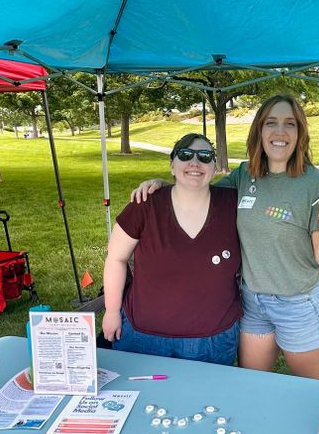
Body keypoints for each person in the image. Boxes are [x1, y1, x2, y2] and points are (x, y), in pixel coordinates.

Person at [132, 95, 319, 379]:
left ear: (300, 134)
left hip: (298, 305)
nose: (279, 132)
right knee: (251, 384)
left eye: (289, 125)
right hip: (252, 302)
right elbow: (201, 193)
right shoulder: (246, 174)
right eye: (271, 123)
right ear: (259, 130)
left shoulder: (315, 185)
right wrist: (165, 185)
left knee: (307, 390)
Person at [103, 134, 242, 365]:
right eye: (185, 155)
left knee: (205, 400)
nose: (195, 163)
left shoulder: (233, 204)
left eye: (205, 156)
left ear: (215, 167)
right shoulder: (145, 203)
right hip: (142, 337)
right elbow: (116, 258)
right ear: (172, 165)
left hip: (213, 340)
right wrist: (111, 311)